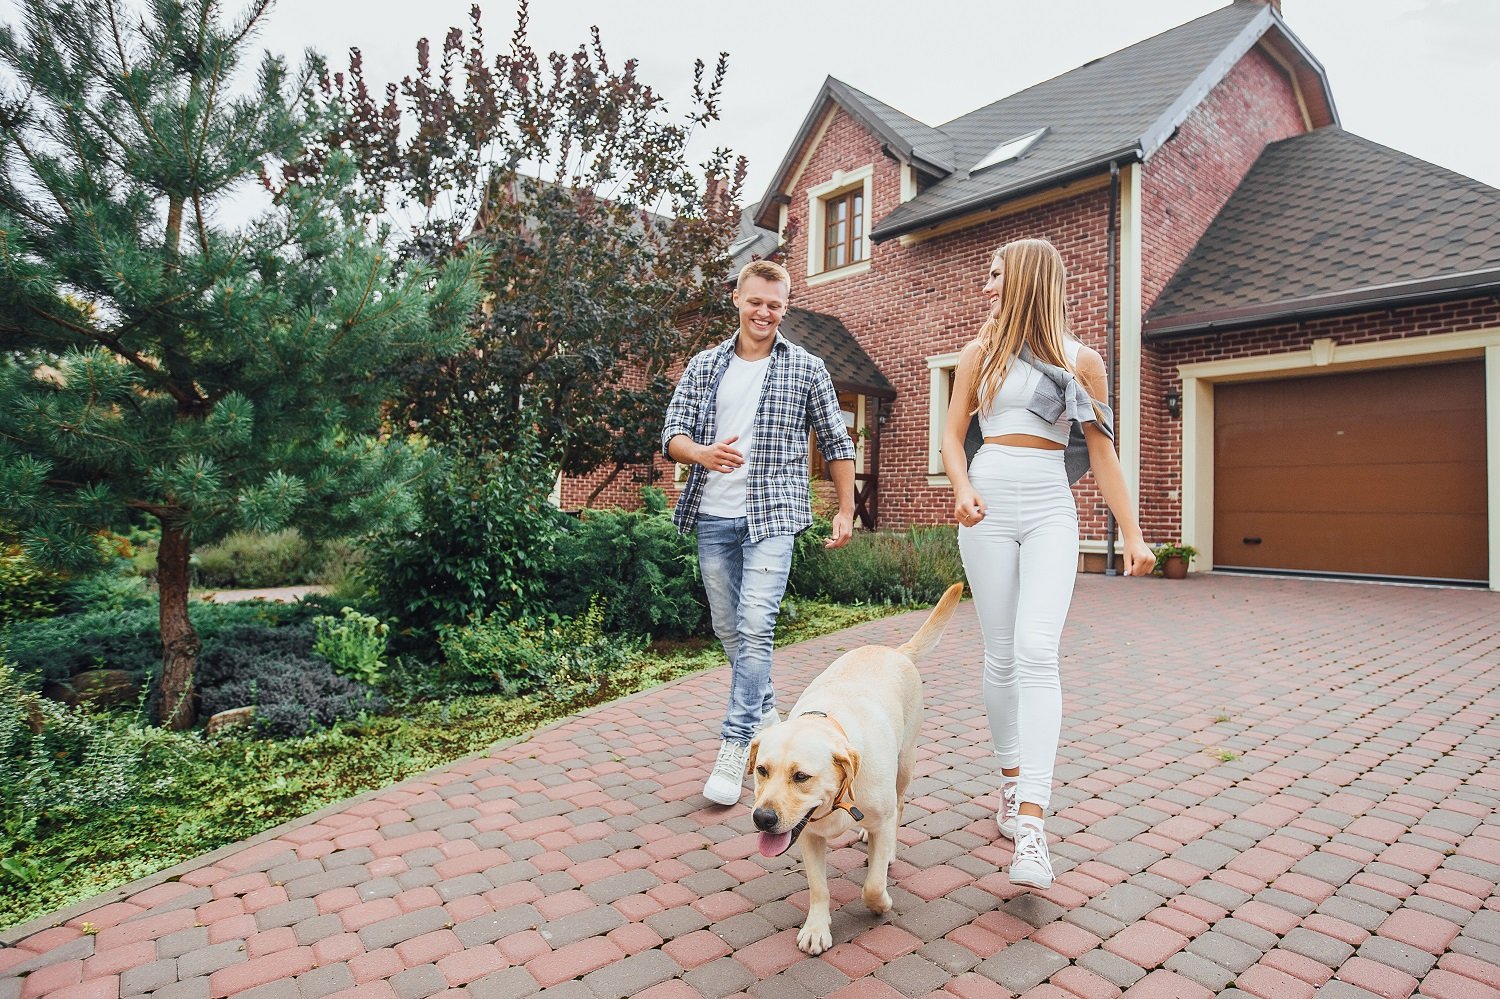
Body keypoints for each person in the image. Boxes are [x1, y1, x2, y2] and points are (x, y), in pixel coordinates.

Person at [940, 238, 1154, 889]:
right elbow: (953, 436)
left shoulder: (1082, 361)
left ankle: (1032, 824)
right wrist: (961, 487)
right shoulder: (982, 354)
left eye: (995, 275)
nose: (986, 288)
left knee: (1037, 649)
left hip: (1050, 511)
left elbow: (1104, 455)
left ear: (1029, 278)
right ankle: (1009, 782)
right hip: (988, 507)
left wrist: (1135, 535)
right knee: (1001, 654)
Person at [662, 259, 857, 806]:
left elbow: (837, 441)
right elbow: (672, 432)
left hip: (773, 518)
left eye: (774, 304)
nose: (764, 312)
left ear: (784, 308)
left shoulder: (807, 368)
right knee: (729, 627)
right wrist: (701, 453)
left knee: (755, 624)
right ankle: (768, 711)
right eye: (755, 302)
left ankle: (736, 747)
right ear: (738, 301)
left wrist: (844, 510)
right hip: (713, 516)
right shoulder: (705, 365)